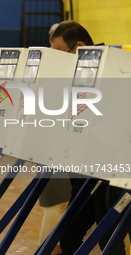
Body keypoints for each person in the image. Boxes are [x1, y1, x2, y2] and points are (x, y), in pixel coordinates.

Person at [50, 20, 127, 255]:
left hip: (107, 171)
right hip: (85, 170)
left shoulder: (112, 67)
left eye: (60, 54)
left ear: (79, 46)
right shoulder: (81, 72)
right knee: (71, 237)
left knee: (106, 237)